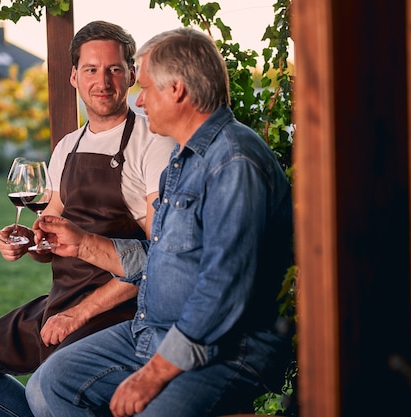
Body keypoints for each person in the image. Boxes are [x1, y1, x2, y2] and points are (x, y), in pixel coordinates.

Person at [25, 27, 294, 417]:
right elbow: (160, 256)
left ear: (178, 90)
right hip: (154, 332)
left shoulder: (233, 163)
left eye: (146, 87)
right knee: (50, 384)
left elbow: (223, 289)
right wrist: (81, 244)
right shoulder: (183, 162)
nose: (139, 98)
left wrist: (153, 374)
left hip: (227, 349)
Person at [0, 21, 175, 417]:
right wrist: (25, 242)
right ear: (74, 76)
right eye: (91, 70)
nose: (103, 81)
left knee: (44, 389)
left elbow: (162, 259)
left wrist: (78, 314)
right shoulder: (69, 145)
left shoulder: (153, 143)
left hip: (113, 309)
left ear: (132, 74)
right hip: (61, 298)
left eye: (114, 69)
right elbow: (47, 241)